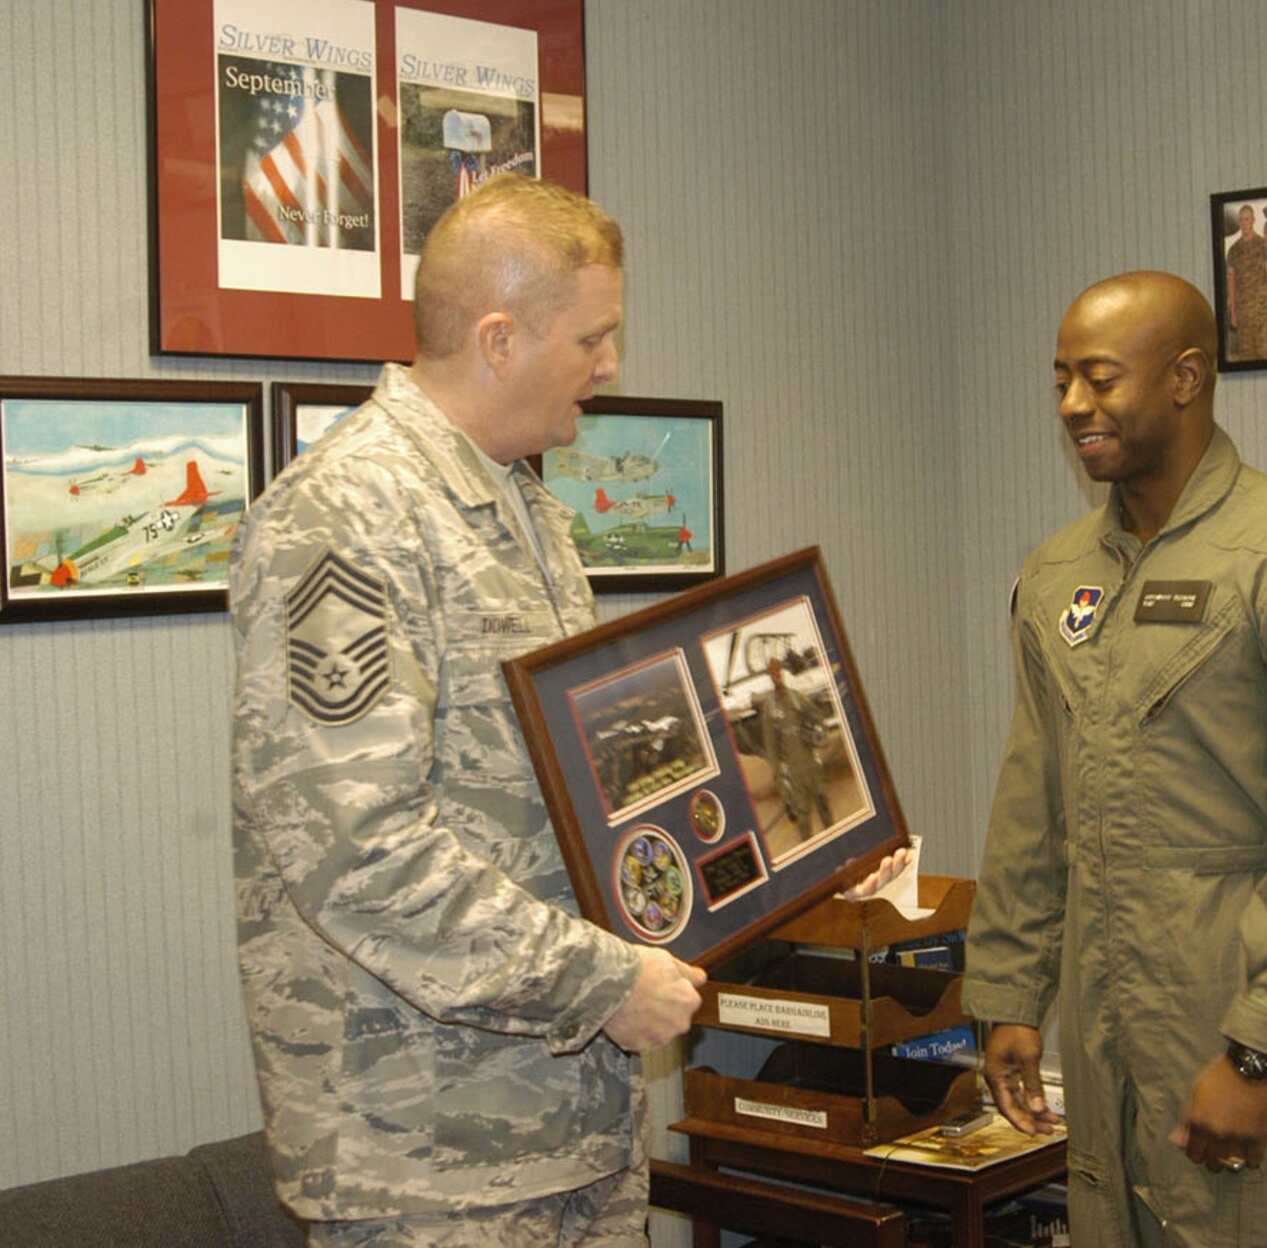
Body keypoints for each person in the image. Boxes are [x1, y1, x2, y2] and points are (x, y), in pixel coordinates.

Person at [230, 174, 902, 1245]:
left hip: (574, 1128)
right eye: (593, 337)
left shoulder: (529, 511)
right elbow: (352, 851)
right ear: (498, 339)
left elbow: (601, 786)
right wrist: (597, 983)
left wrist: (803, 830)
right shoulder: (344, 517)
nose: (611, 365)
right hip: (431, 1163)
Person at [964, 271, 1267, 1246]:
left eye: (1100, 378)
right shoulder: (1057, 574)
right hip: (1098, 1003)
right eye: (1061, 382)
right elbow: (1032, 794)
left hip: (1231, 998)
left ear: (1185, 377)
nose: (1075, 404)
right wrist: (1005, 992)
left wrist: (1256, 1049)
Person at [754, 656, 834, 838]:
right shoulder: (770, 708)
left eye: (778, 670)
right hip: (793, 771)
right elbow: (771, 745)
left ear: (781, 671)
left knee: (824, 805)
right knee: (803, 816)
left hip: (811, 764)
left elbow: (817, 716)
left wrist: (819, 735)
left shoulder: (797, 699)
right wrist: (778, 773)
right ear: (769, 675)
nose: (776, 674)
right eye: (772, 672)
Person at [1225, 203, 1267, 362]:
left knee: (1264, 355)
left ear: (1253, 220)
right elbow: (1231, 282)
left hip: (1263, 311)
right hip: (1243, 313)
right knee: (1246, 357)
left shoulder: (1265, 246)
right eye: (1241, 220)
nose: (1244, 223)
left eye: (1247, 219)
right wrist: (1233, 312)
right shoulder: (1233, 251)